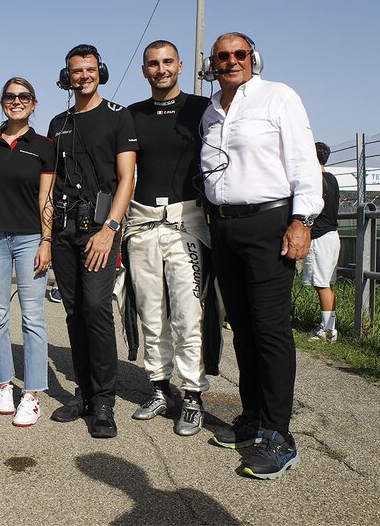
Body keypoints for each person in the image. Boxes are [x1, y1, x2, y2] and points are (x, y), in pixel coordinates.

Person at [200, 32, 322, 479]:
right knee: (243, 329)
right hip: (225, 226)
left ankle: (278, 433)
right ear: (212, 63)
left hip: (270, 223)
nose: (232, 61)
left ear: (254, 58)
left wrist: (302, 219)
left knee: (270, 330)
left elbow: (304, 162)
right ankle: (252, 419)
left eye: (240, 54)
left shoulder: (278, 97)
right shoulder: (211, 110)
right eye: (223, 56)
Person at [47, 44, 138, 438]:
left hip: (101, 230)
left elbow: (127, 179)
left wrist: (110, 229)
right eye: (75, 71)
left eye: (89, 69)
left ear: (100, 71)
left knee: (98, 308)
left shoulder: (120, 117)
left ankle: (104, 401)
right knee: (74, 312)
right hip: (65, 230)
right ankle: (82, 393)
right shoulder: (57, 122)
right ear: (67, 76)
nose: (82, 76)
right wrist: (47, 234)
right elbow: (48, 185)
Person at [124, 40, 211, 436]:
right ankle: (159, 387)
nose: (160, 69)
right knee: (150, 311)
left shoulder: (201, 108)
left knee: (188, 313)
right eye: (152, 64)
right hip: (141, 222)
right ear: (144, 70)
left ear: (180, 65)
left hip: (187, 221)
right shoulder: (132, 114)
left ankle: (192, 395)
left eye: (167, 62)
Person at [0, 77, 56, 427]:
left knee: (33, 317)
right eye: (10, 96)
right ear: (2, 103)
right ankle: (5, 385)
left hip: (29, 239)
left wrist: (46, 240)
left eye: (24, 96)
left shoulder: (44, 146)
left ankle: (33, 394)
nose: (17, 101)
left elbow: (46, 198)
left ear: (34, 104)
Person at [304, 142, 341, 343]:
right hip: (332, 236)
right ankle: (329, 326)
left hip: (320, 237)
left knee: (322, 285)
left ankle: (328, 330)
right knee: (328, 284)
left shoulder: (315, 180)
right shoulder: (331, 178)